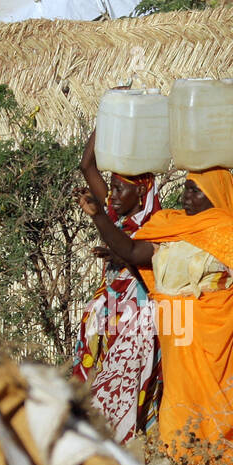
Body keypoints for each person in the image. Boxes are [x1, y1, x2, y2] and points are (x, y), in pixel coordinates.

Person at [77, 166, 233, 463]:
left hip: (217, 343)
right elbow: (130, 250)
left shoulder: (229, 235)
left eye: (195, 190)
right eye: (186, 188)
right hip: (178, 341)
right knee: (178, 413)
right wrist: (98, 215)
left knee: (219, 412)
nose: (186, 196)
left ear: (214, 195)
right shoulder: (170, 227)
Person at [73, 133, 162, 445]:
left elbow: (134, 254)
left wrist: (115, 250)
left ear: (142, 192)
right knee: (106, 376)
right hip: (110, 314)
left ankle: (122, 444)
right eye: (110, 188)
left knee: (127, 381)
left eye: (118, 189)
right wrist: (108, 116)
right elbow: (86, 165)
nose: (111, 195)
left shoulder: (157, 225)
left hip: (137, 318)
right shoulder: (116, 214)